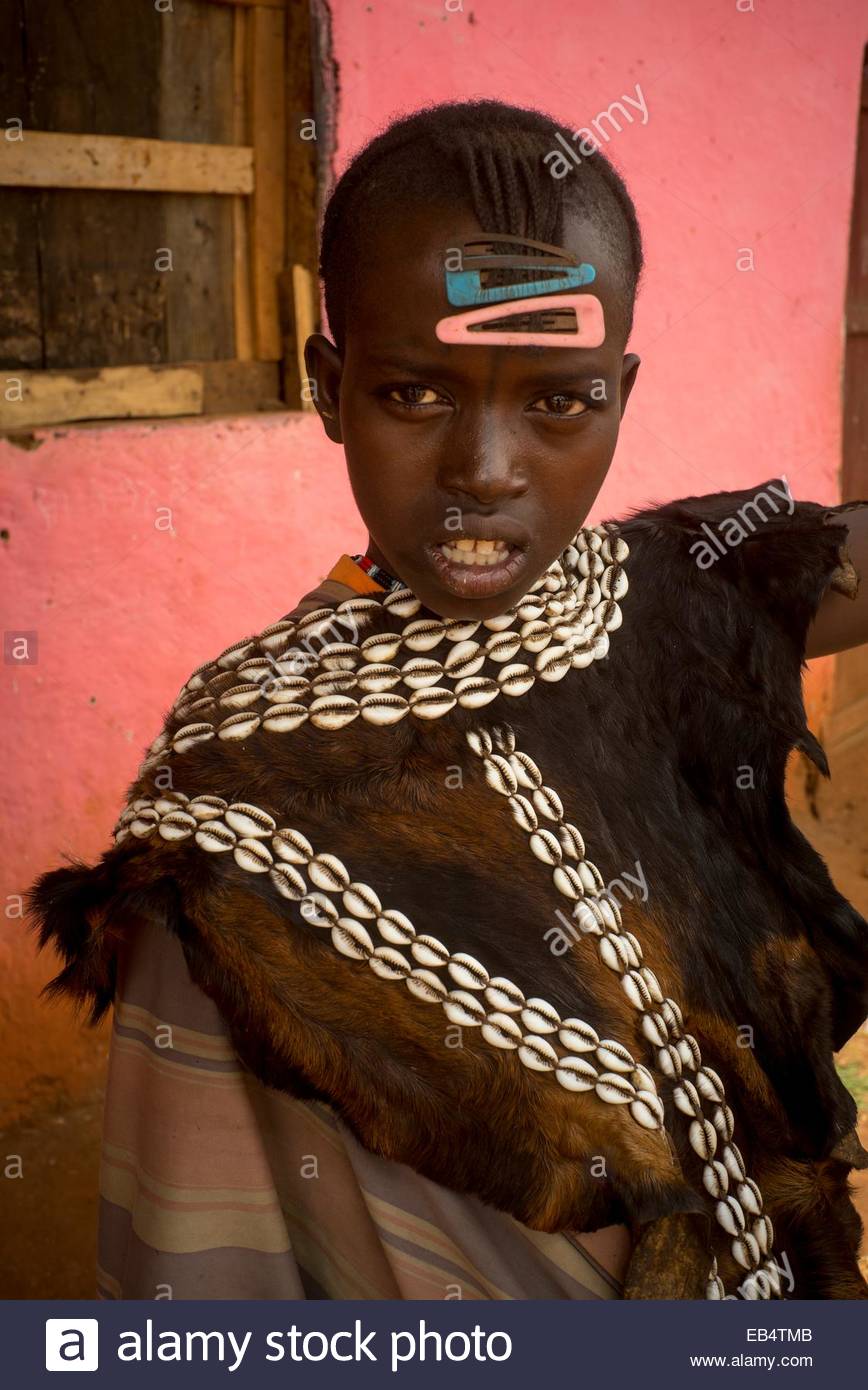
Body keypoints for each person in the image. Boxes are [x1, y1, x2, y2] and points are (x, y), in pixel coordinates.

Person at [27, 100, 868, 1301]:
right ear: (330, 386)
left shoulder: (668, 596)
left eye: (558, 401)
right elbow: (203, 1286)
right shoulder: (230, 816)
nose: (484, 470)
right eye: (416, 395)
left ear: (620, 393)